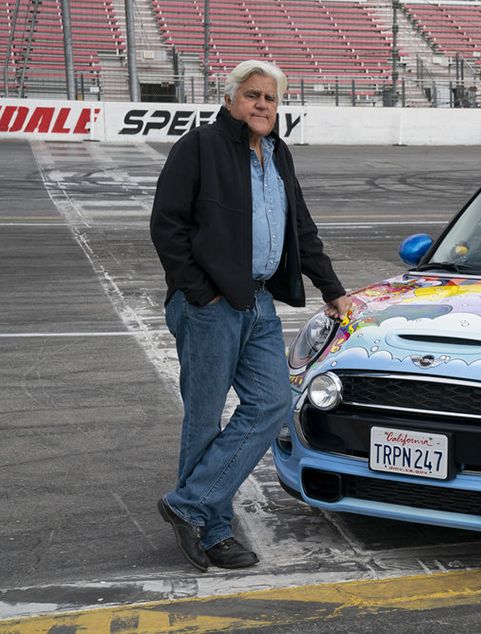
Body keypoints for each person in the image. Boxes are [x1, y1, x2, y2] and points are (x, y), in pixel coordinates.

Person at [150, 60, 351, 571]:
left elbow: (300, 226)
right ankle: (214, 532)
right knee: (203, 420)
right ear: (230, 100)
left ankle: (187, 504)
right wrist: (200, 292)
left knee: (272, 401)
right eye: (253, 95)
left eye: (271, 98)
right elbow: (167, 226)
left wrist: (331, 287)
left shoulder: (277, 153)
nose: (262, 105)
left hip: (258, 300)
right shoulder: (199, 147)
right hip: (210, 305)